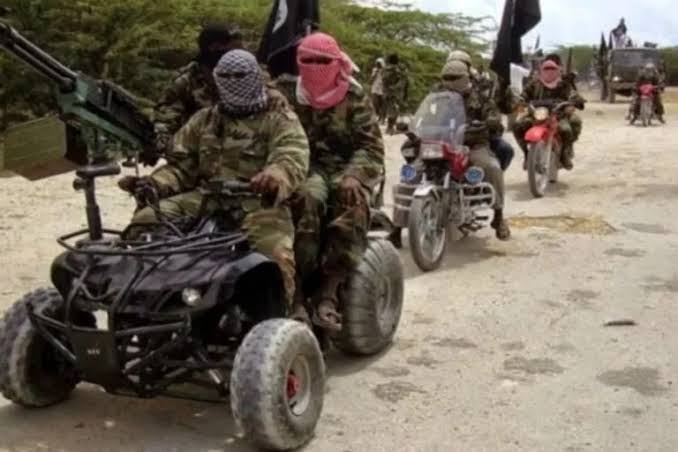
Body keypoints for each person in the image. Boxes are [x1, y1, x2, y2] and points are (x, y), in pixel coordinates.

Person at [119, 50, 310, 312]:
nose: (232, 82)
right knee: (145, 222)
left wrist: (274, 176)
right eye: (225, 76)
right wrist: (154, 184)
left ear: (255, 77)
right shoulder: (204, 119)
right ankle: (158, 300)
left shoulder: (279, 119)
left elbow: (291, 157)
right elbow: (181, 166)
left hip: (258, 203)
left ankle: (277, 317)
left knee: (274, 255)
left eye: (239, 76)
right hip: (206, 198)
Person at [277, 32, 385, 331]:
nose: (315, 67)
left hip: (345, 167)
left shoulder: (355, 97)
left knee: (351, 201)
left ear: (337, 62)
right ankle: (296, 291)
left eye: (322, 61)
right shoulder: (287, 93)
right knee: (306, 199)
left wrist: (355, 174)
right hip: (304, 166)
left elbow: (371, 147)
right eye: (308, 60)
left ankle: (330, 290)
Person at [152, 22, 243, 155]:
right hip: (197, 152)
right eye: (233, 51)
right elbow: (165, 118)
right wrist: (166, 148)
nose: (238, 57)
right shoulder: (187, 81)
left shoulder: (242, 76)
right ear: (214, 48)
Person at [512, 54, 584, 170]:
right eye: (546, 69)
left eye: (552, 69)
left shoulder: (563, 84)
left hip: (558, 115)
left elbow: (572, 94)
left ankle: (564, 154)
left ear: (557, 70)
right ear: (541, 70)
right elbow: (524, 95)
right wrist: (519, 102)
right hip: (536, 115)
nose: (549, 72)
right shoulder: (535, 83)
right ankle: (526, 154)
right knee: (518, 125)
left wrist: (574, 102)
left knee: (566, 130)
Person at [447, 49, 515, 171]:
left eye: (460, 64)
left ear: (468, 66)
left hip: (477, 134)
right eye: (452, 64)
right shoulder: (440, 86)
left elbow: (494, 106)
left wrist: (491, 119)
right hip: (446, 135)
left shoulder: (482, 85)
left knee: (504, 150)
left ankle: (492, 178)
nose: (455, 69)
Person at [382, 53, 409, 134]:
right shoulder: (397, 70)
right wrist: (396, 88)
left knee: (391, 110)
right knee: (394, 110)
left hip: (387, 92)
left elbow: (384, 80)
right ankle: (390, 127)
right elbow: (403, 81)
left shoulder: (385, 69)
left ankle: (389, 127)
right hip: (394, 93)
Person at [370, 57, 386, 124]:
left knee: (382, 104)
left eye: (379, 64)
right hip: (375, 88)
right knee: (375, 103)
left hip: (382, 88)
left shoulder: (385, 71)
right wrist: (375, 73)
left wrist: (382, 72)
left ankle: (382, 118)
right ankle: (378, 115)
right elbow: (371, 79)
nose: (378, 65)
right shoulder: (374, 70)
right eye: (377, 63)